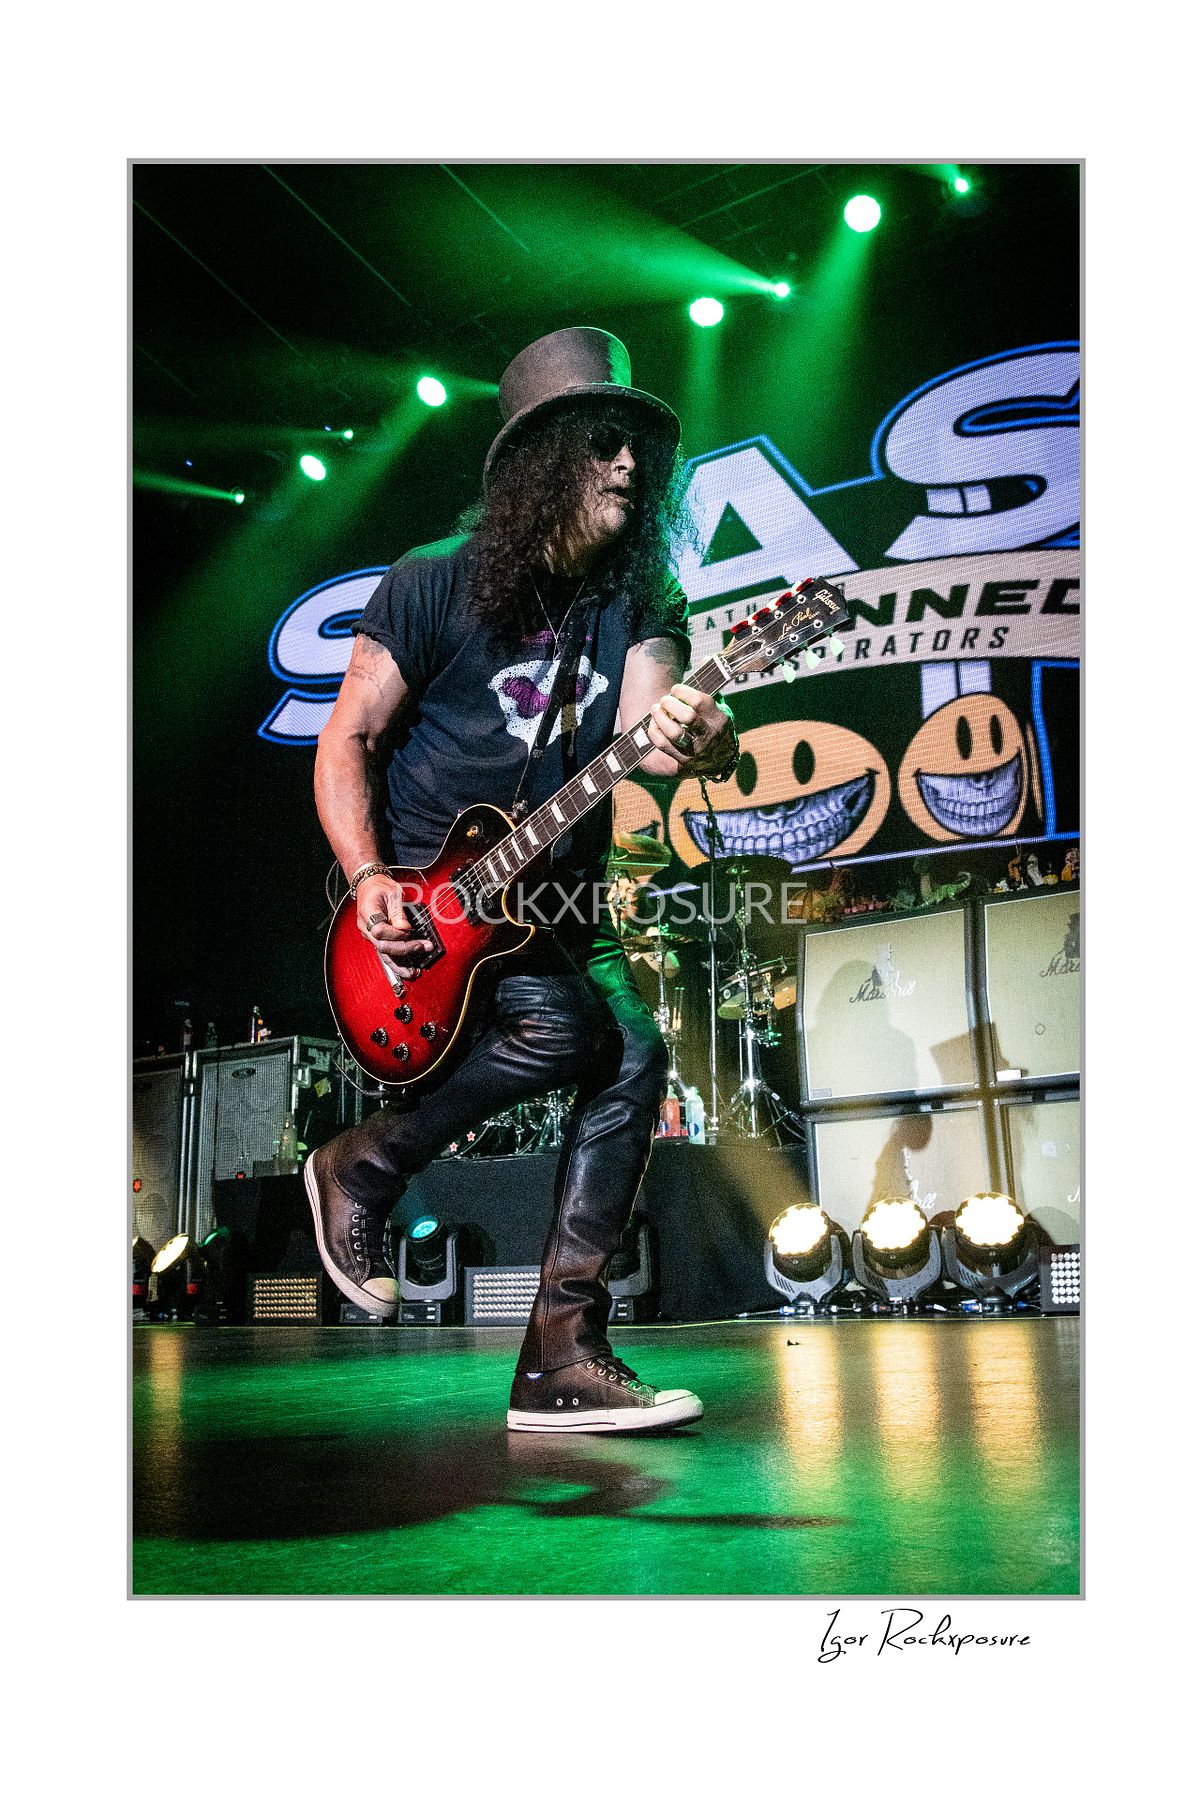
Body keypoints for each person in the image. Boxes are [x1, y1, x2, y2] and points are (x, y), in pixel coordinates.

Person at [304, 327, 739, 1433]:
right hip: (425, 905)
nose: (629, 468)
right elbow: (348, 735)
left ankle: (561, 1352)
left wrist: (703, 733)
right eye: (602, 447)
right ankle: (363, 1165)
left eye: (639, 450)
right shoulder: (432, 585)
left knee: (631, 1048)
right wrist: (367, 879)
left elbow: (652, 725)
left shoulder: (643, 599)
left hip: (557, 898)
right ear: (543, 463)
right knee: (572, 1034)